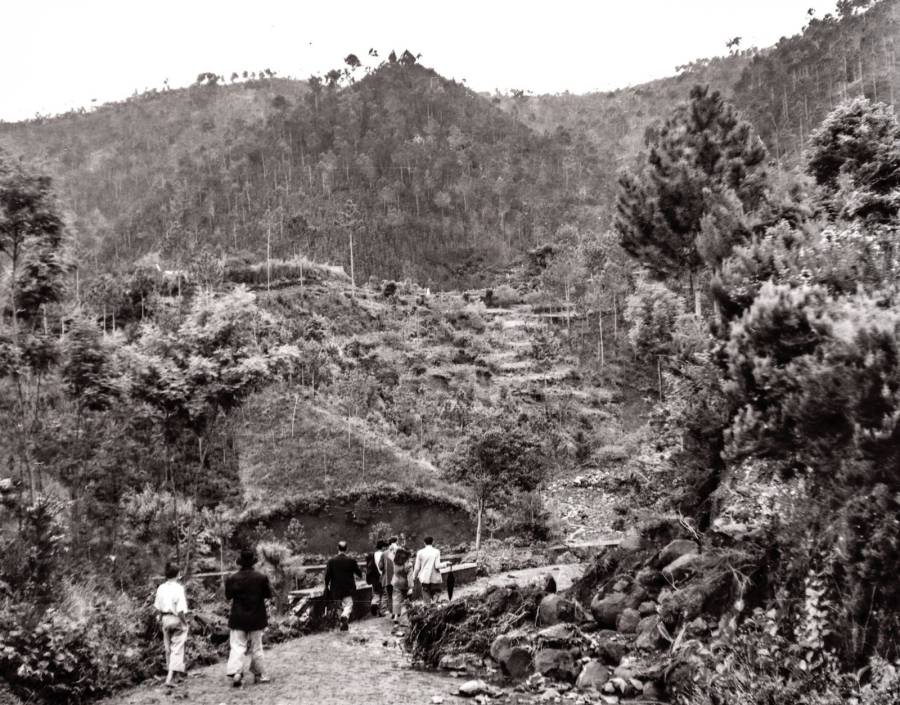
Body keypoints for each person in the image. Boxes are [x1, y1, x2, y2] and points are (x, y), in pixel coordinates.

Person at [225, 549, 273, 688]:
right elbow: (268, 595)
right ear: (253, 562)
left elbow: (228, 596)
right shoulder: (261, 578)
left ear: (240, 563)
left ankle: (236, 673)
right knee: (257, 647)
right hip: (256, 616)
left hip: (238, 617)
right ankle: (262, 674)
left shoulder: (232, 578)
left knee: (237, 647)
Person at [154, 561, 189, 688]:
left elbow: (157, 607)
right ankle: (170, 678)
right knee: (177, 648)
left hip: (165, 619)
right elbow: (180, 611)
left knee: (168, 648)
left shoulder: (161, 588)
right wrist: (185, 623)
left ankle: (176, 675)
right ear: (178, 574)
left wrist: (160, 618)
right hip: (176, 618)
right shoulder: (179, 589)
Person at [324, 540, 362, 631]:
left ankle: (343, 625)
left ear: (337, 548)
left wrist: (326, 585)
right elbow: (359, 573)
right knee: (348, 605)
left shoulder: (331, 561)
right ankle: (344, 618)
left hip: (335, 589)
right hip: (348, 588)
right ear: (346, 549)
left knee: (339, 606)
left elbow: (327, 576)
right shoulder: (351, 561)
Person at [412, 536, 448, 606]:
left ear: (424, 543)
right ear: (433, 542)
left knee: (426, 594)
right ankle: (434, 604)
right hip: (434, 577)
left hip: (424, 578)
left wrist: (414, 576)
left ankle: (428, 608)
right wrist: (446, 564)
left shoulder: (420, 552)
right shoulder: (436, 551)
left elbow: (417, 567)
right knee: (436, 593)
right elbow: (437, 566)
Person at [390, 547, 411, 624]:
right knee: (406, 600)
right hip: (404, 583)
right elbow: (410, 577)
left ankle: (395, 616)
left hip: (395, 582)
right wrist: (411, 587)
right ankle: (406, 617)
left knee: (396, 600)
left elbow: (391, 554)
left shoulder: (394, 562)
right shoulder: (408, 564)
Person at [378, 536, 398, 615]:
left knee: (390, 595)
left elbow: (380, 566)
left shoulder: (384, 553)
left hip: (388, 578)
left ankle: (391, 612)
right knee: (398, 595)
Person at [366, 539, 387, 616]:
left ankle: (374, 603)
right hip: (383, 576)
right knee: (385, 594)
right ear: (383, 547)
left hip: (374, 578)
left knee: (376, 592)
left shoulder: (372, 555)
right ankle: (382, 611)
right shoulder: (384, 554)